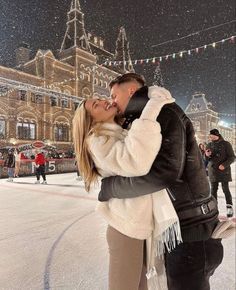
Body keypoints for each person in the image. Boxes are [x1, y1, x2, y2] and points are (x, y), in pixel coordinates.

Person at [98, 73, 223, 290]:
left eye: (114, 94)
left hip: (191, 231)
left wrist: (111, 187)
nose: (111, 101)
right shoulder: (144, 117)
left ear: (130, 91)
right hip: (182, 227)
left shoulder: (164, 112)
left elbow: (165, 172)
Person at [73, 86, 182, 290]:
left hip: (136, 225)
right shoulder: (98, 140)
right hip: (125, 229)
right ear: (90, 120)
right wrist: (151, 109)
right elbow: (136, 162)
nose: (105, 101)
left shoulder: (117, 133)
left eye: (101, 98)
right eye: (96, 105)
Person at [205, 129, 235, 218]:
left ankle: (229, 208)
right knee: (213, 190)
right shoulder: (209, 144)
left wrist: (224, 165)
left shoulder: (226, 144)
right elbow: (207, 159)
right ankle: (215, 209)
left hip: (223, 171)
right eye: (209, 136)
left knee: (225, 189)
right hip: (213, 171)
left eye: (212, 136)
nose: (210, 137)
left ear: (217, 135)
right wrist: (206, 155)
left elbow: (232, 157)